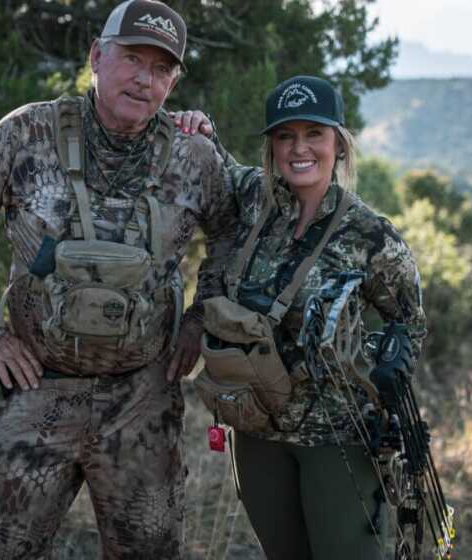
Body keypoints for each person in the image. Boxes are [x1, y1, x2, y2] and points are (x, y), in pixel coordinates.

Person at [0, 1, 238, 558]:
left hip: (144, 400)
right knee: (0, 551)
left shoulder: (193, 156)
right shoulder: (28, 133)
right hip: (39, 392)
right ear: (96, 56)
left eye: (161, 69)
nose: (143, 79)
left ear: (174, 82)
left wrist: (197, 319)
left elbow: (234, 236)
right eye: (131, 59)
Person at [177, 76, 427, 559]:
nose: (300, 148)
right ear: (272, 146)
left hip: (336, 438)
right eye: (285, 136)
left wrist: (387, 371)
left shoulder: (371, 235)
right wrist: (201, 128)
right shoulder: (253, 201)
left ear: (339, 142)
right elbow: (218, 164)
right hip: (255, 433)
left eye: (314, 133)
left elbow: (408, 323)